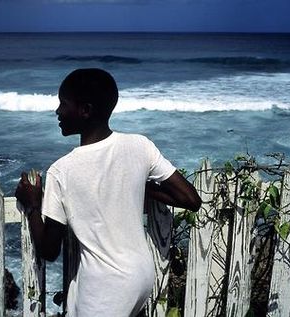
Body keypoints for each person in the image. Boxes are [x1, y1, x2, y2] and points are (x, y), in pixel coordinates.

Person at [15, 68, 201, 317]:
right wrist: (144, 187)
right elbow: (190, 199)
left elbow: (49, 250)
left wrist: (33, 206)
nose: (58, 111)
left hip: (104, 288)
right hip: (141, 277)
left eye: (63, 103)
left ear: (85, 110)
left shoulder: (62, 170)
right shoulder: (140, 145)